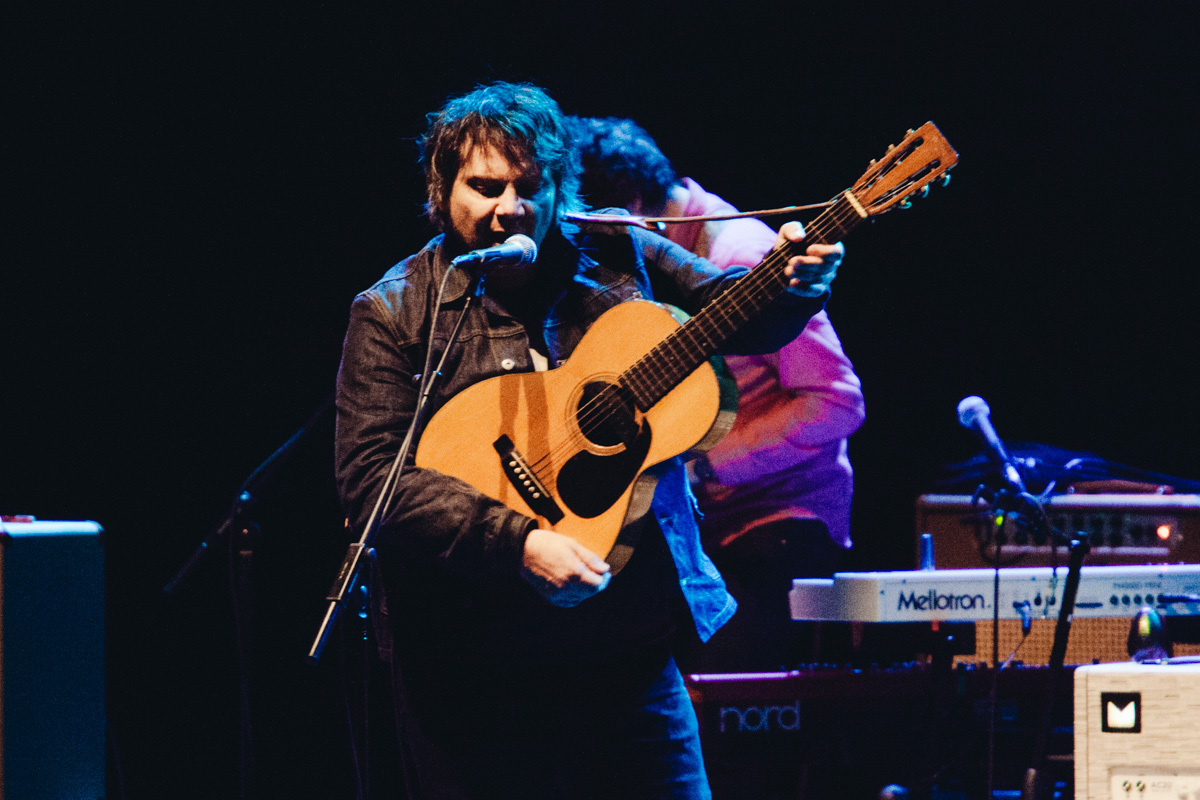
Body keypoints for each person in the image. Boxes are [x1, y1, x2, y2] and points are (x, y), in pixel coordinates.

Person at [334, 82, 843, 800]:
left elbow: (737, 314)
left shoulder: (617, 250)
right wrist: (518, 541)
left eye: (529, 186)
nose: (508, 207)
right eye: (484, 186)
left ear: (558, 188)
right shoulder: (394, 312)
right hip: (471, 670)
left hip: (625, 656)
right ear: (440, 187)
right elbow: (371, 480)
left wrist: (793, 286)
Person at [569, 116, 865, 671]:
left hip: (778, 524)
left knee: (714, 695)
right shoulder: (660, 260)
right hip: (707, 529)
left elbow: (837, 401)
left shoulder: (741, 257)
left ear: (628, 207)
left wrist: (710, 469)